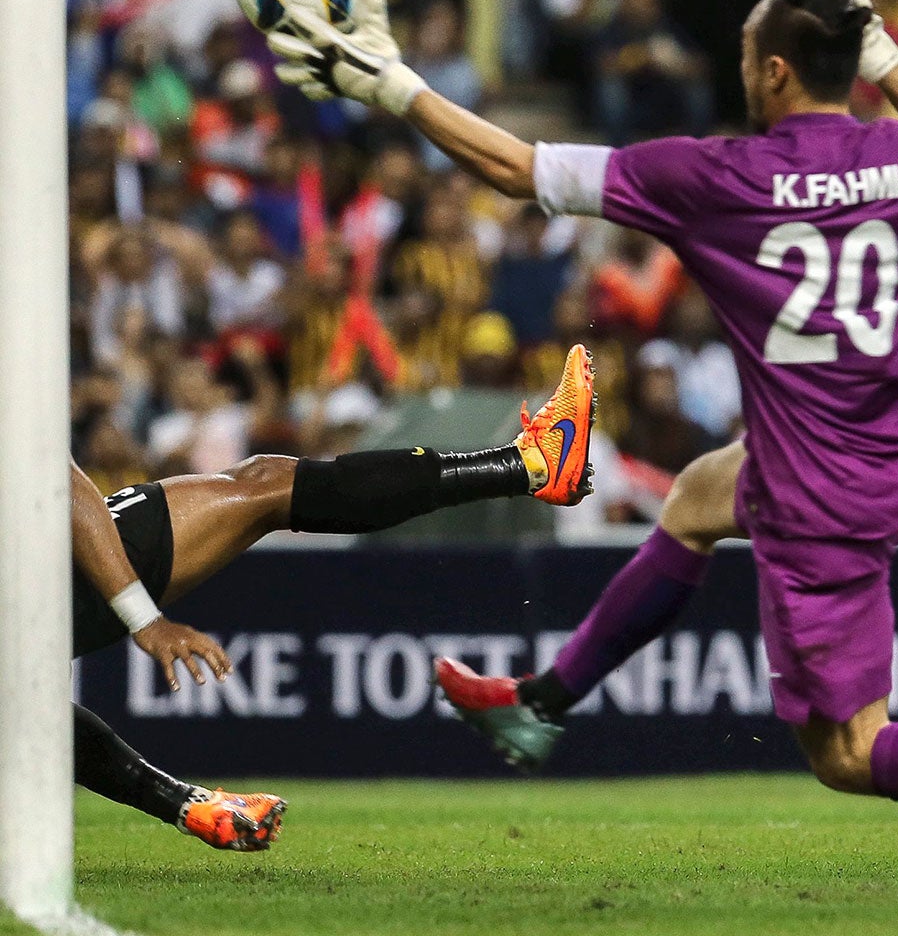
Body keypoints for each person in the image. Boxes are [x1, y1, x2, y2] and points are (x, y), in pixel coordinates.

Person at [263, 0, 898, 910]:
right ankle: (542, 702)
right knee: (698, 495)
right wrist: (883, 58)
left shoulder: (714, 177)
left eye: (746, 57)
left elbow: (521, 170)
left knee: (849, 752)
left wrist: (395, 86)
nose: (740, 71)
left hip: (816, 489)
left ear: (774, 71)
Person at [69, 349, 596, 849]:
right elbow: (60, 481)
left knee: (265, 483)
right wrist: (144, 618)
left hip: (36, 567)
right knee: (264, 488)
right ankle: (529, 464)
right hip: (50, 569)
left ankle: (529, 465)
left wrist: (184, 804)